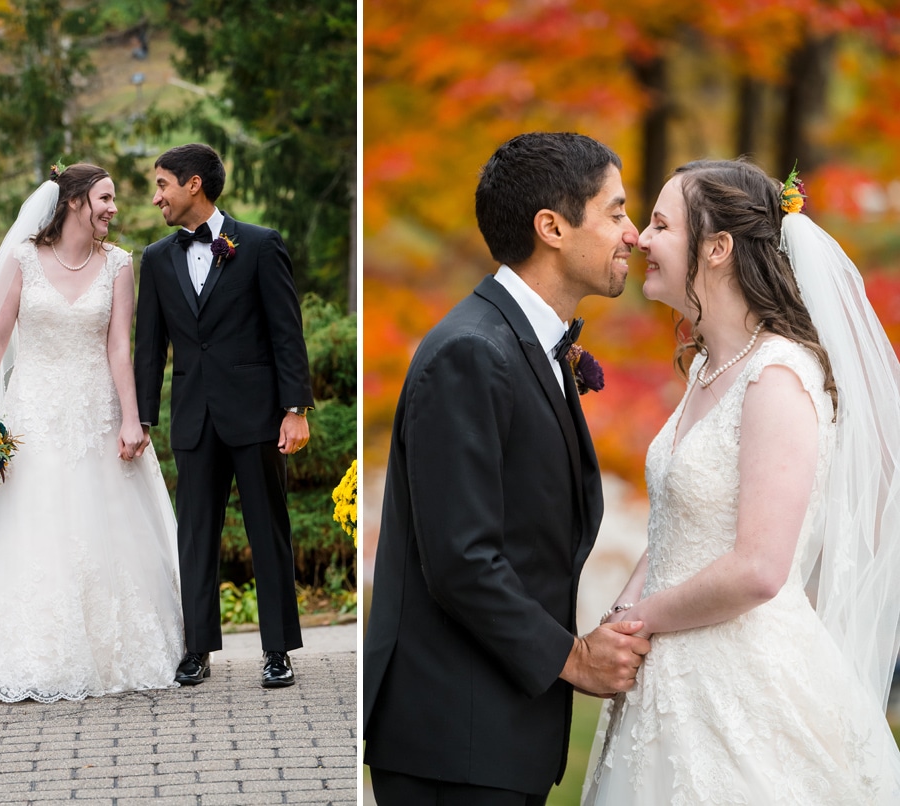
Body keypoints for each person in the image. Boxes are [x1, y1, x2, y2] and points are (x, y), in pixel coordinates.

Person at [583, 159, 900, 804]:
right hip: (668, 670)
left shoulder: (778, 377)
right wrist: (620, 615)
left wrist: (642, 617)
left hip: (742, 678)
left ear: (719, 248)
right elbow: (679, 522)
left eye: (662, 224)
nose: (640, 238)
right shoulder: (707, 368)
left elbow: (760, 567)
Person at [363, 132, 651, 805]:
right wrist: (574, 659)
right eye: (615, 212)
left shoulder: (520, 345)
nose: (631, 234)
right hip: (452, 740)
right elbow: (463, 559)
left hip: (491, 735)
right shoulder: (471, 352)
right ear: (551, 227)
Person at [0, 163, 185, 703]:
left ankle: (110, 653)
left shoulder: (118, 265)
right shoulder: (25, 258)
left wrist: (132, 418)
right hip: (33, 415)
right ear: (74, 202)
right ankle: (33, 650)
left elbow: (120, 346)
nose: (115, 208)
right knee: (35, 525)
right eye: (105, 197)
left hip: (95, 412)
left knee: (102, 526)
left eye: (114, 199)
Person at [133, 144, 314, 689]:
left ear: (193, 185)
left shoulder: (259, 244)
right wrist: (142, 420)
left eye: (162, 184)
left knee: (268, 532)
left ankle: (278, 650)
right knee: (196, 536)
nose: (156, 196)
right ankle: (196, 650)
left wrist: (295, 409)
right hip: (193, 417)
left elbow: (287, 333)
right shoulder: (157, 259)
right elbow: (150, 347)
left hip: (257, 415)